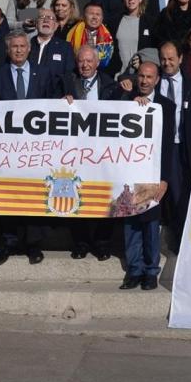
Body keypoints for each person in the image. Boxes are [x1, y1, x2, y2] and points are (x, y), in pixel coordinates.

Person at [0, 29, 62, 267]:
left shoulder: (44, 73)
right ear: (8, 50)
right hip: (7, 150)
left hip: (36, 150)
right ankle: (8, 243)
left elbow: (53, 105)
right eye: (14, 47)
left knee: (35, 194)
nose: (18, 50)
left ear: (29, 49)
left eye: (22, 46)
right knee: (9, 194)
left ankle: (33, 245)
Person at [63, 45, 121, 261]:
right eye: (81, 61)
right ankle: (80, 242)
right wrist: (60, 102)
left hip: (102, 152)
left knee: (106, 195)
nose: (85, 65)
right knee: (74, 193)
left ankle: (102, 242)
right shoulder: (67, 81)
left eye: (89, 61)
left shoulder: (110, 85)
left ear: (97, 63)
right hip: (74, 151)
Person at [120, 61, 170, 290]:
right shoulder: (125, 101)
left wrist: (164, 179)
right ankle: (134, 270)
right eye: (141, 76)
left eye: (149, 77)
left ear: (157, 80)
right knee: (131, 224)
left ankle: (151, 271)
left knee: (150, 226)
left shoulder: (167, 107)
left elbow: (170, 146)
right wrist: (129, 103)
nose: (144, 81)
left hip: (153, 175)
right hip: (129, 175)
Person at [157, 41, 191, 255]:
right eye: (163, 59)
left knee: (179, 196)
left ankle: (178, 242)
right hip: (154, 150)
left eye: (171, 59)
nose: (166, 63)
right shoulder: (153, 81)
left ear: (180, 59)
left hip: (179, 149)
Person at [107, 0, 157, 78]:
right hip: (118, 76)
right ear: (123, 0)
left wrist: (143, 60)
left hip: (141, 76)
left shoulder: (150, 22)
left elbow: (155, 49)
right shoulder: (114, 22)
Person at [29, 7, 76, 86]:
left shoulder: (65, 48)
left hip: (54, 96)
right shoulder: (26, 45)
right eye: (42, 17)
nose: (46, 20)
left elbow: (69, 75)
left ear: (56, 25)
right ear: (36, 24)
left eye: (50, 18)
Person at [66, 3, 115, 71]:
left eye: (98, 14)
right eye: (91, 14)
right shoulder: (71, 33)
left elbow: (115, 62)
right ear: (83, 16)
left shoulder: (110, 36)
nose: (94, 17)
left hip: (102, 75)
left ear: (102, 18)